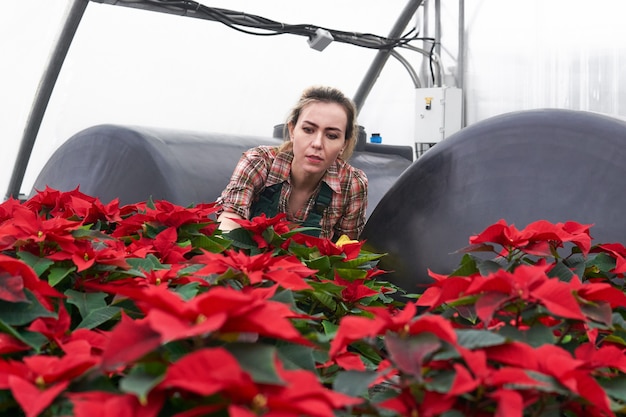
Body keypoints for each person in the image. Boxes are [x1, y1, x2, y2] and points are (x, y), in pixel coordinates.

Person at [216, 85, 368, 241]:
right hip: (248, 262)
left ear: (344, 144)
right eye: (308, 130)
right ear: (292, 130)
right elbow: (230, 219)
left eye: (331, 135)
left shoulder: (352, 184)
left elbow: (346, 246)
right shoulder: (259, 162)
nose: (317, 143)